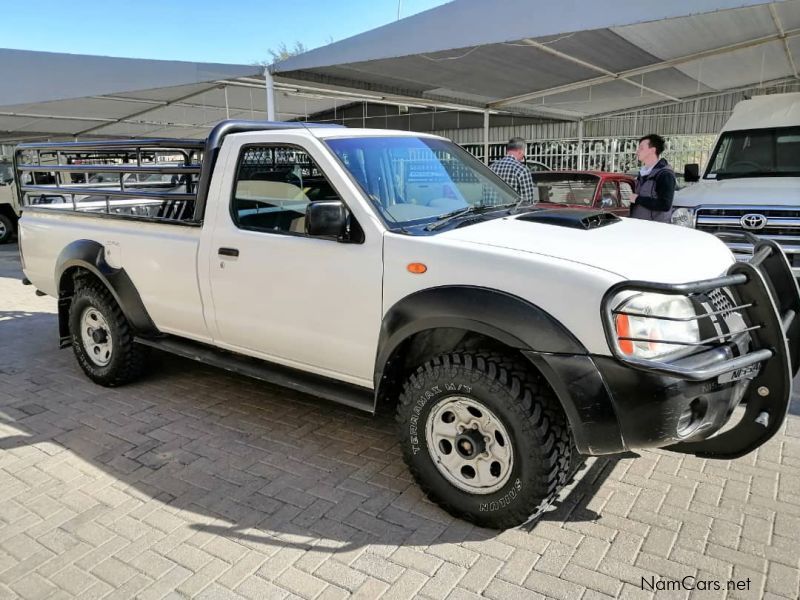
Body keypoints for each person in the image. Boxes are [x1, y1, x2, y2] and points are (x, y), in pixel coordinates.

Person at [630, 134, 676, 222]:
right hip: (638, 226)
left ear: (652, 150)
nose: (637, 151)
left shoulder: (665, 174)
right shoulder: (643, 173)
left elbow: (665, 205)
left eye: (641, 148)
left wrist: (637, 199)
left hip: (655, 229)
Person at [489, 137, 537, 205]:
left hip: (491, 214)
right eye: (524, 153)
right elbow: (527, 202)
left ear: (508, 150)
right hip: (511, 214)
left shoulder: (491, 168)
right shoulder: (522, 170)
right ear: (521, 152)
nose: (523, 156)